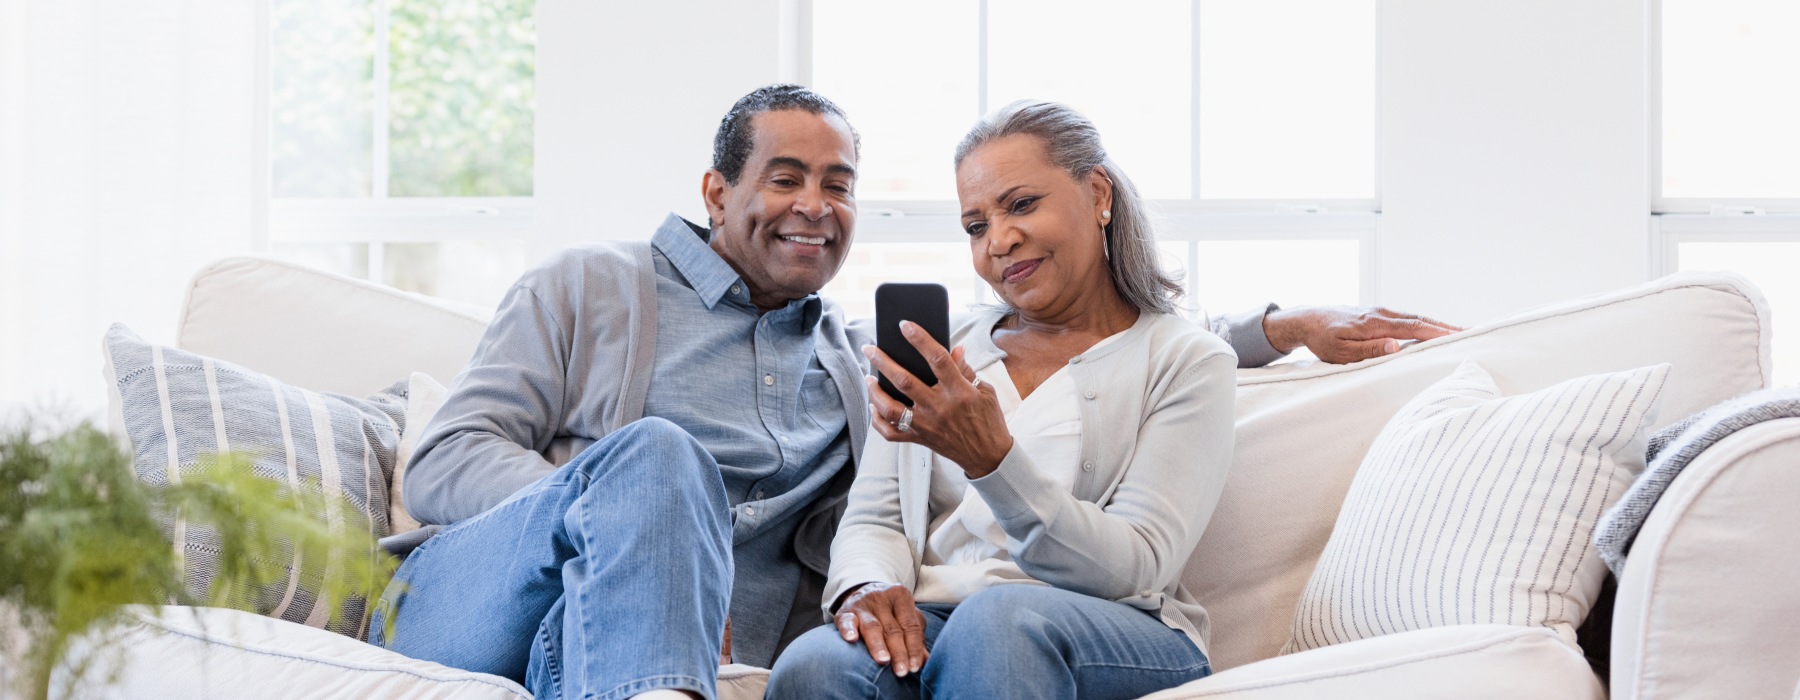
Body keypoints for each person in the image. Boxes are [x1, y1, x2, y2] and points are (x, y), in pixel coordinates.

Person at [375, 85, 1455, 700]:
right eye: (784, 177)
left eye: (838, 184)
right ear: (717, 190)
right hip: (499, 600)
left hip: (662, 671)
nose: (815, 205)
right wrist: (644, 549)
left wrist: (1279, 329)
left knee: (853, 658)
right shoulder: (591, 287)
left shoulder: (859, 356)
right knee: (660, 457)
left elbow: (1109, 355)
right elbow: (446, 462)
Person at [764, 100, 1430, 699]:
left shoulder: (1184, 359)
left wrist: (995, 460)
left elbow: (1136, 565)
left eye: (1021, 205)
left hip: (1116, 628)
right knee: (816, 665)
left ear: (1098, 194)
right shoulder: (944, 351)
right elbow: (876, 515)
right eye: (975, 224)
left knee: (999, 625)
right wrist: (867, 586)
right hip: (947, 616)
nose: (998, 241)